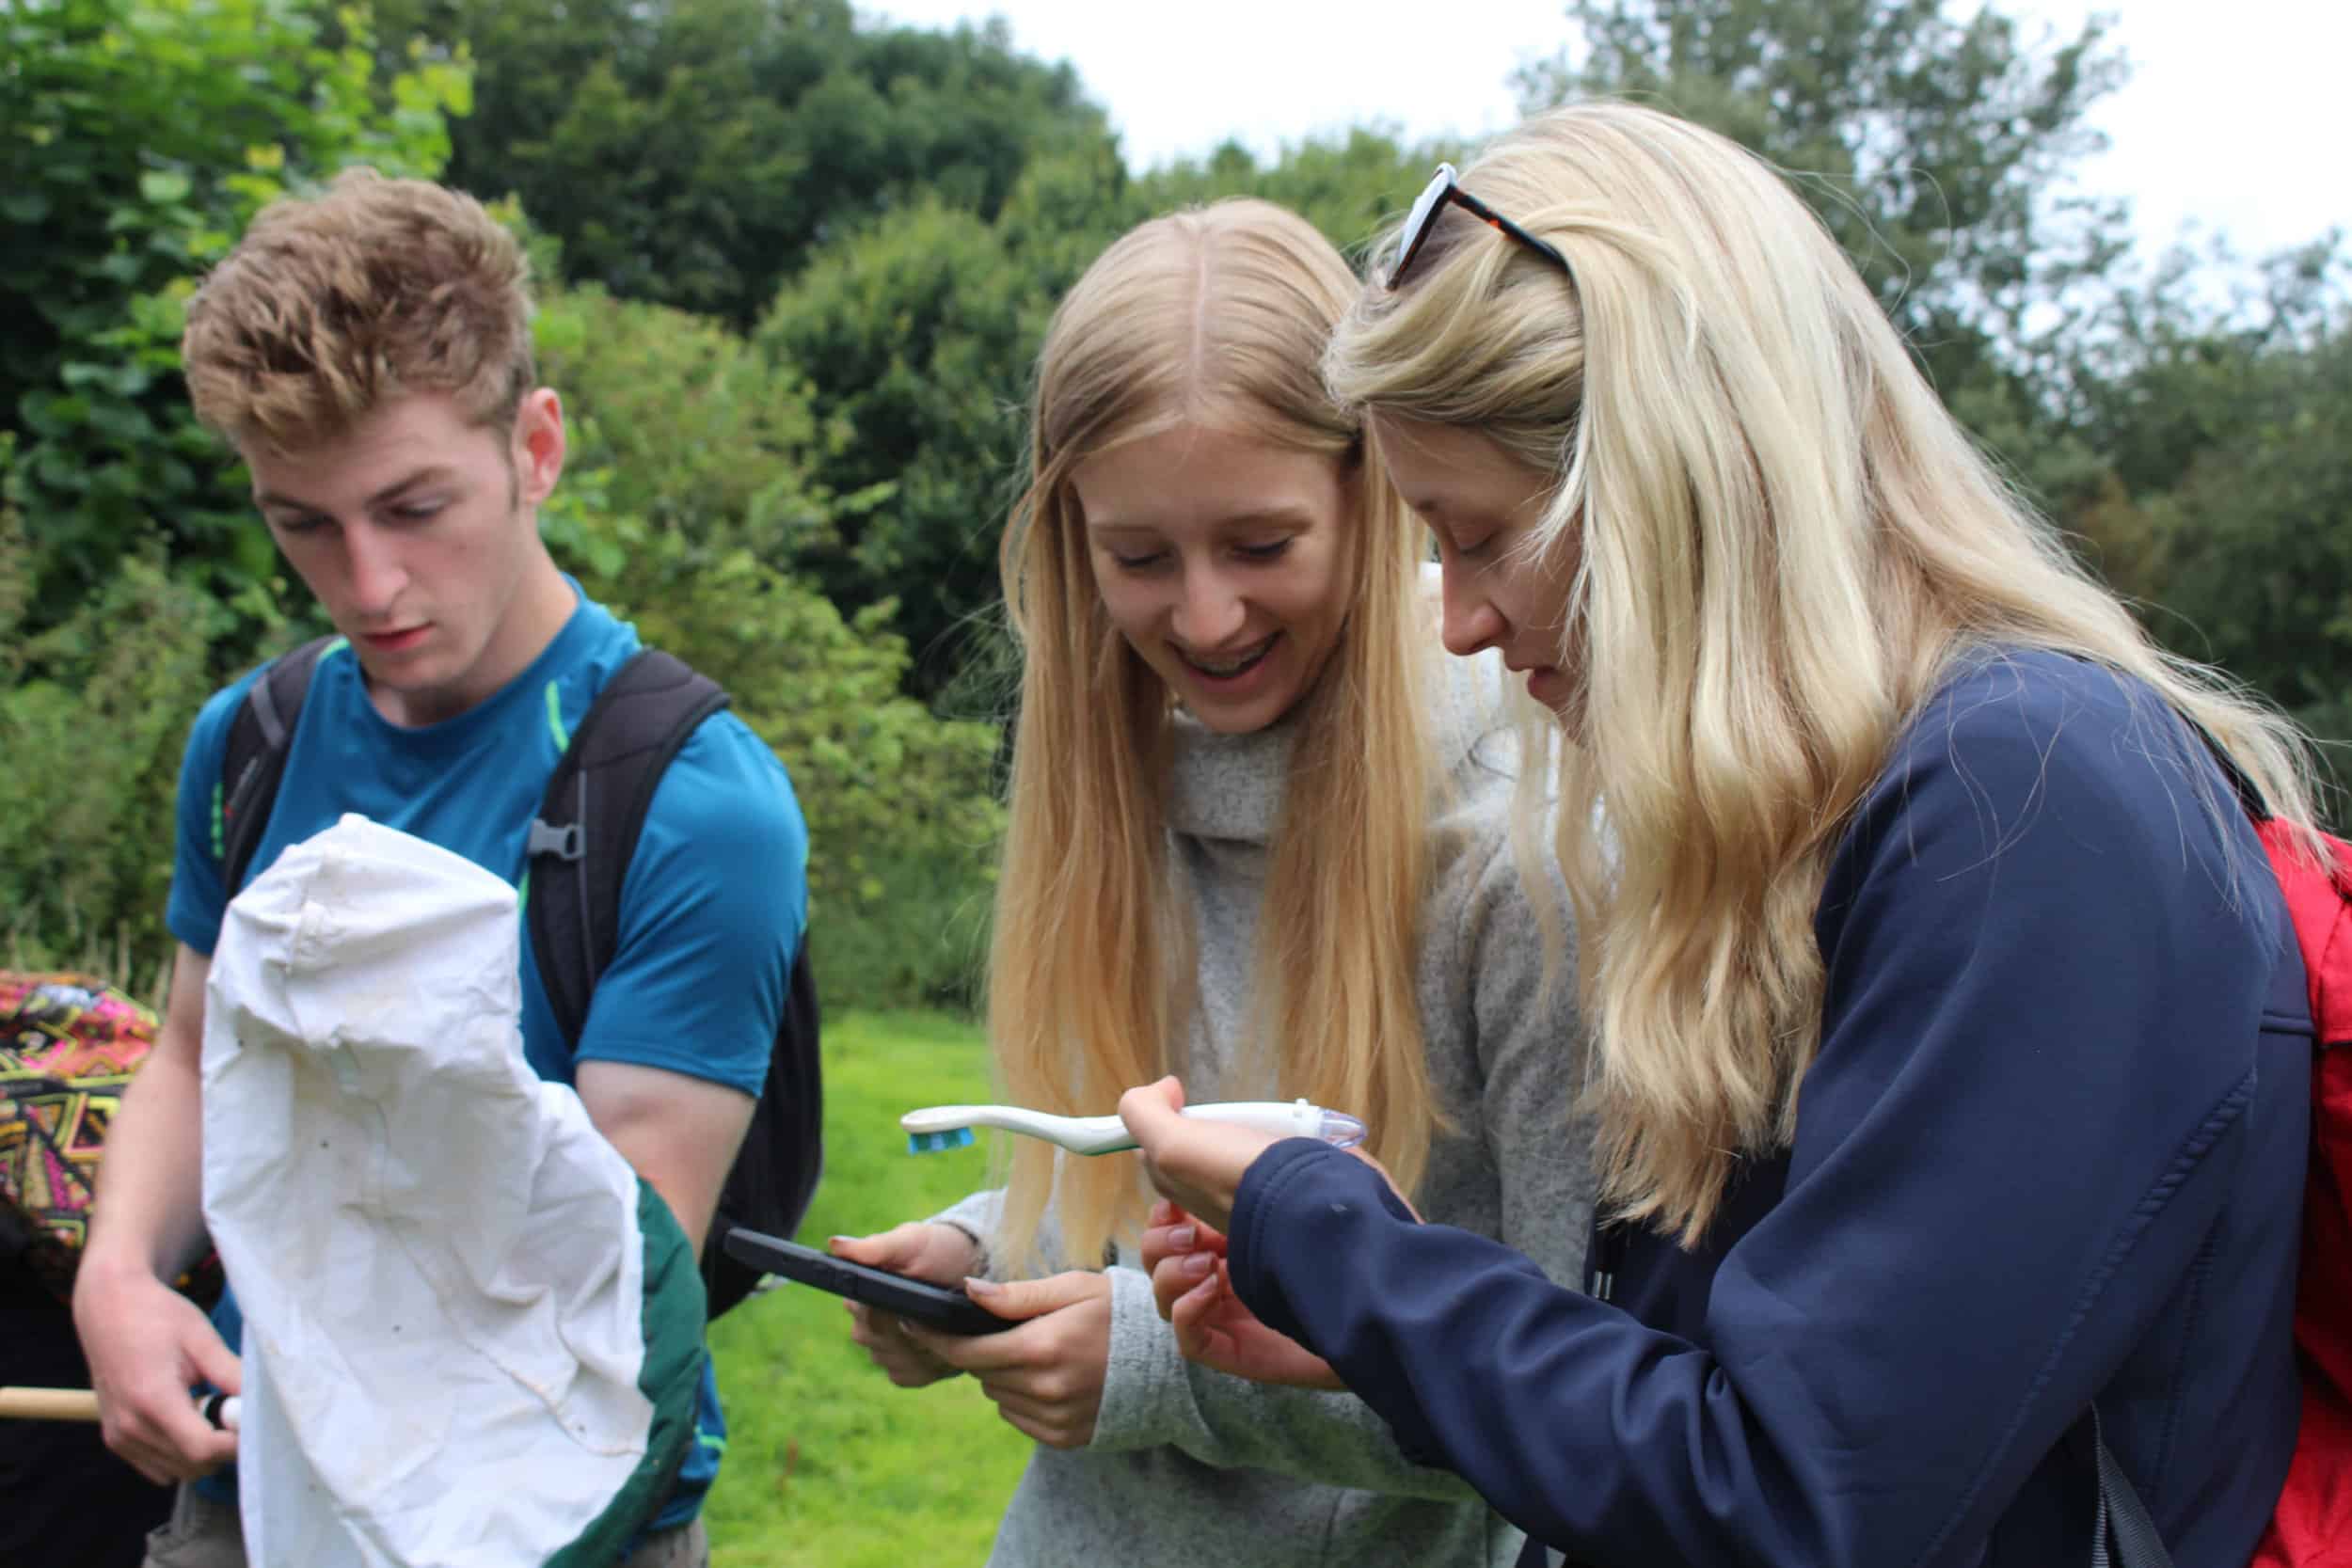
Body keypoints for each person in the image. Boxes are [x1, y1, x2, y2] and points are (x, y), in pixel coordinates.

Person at [1120, 103, 2317, 1568]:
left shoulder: (2028, 809)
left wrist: (1337, 1245)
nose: (1461, 623)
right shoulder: (1848, 810)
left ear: (1668, 486)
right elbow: (1734, 1400)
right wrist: (1391, 1325)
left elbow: (1792, 1506)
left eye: (1481, 536)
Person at [829, 198, 1592, 1567]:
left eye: (1259, 544)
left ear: (1376, 493)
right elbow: (1137, 1208)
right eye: (1138, 558)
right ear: (1071, 547)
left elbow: (1580, 1397)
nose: (1204, 618)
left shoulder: (1528, 859)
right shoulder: (1106, 792)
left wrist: (1161, 1375)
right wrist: (984, 1256)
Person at [69, 168, 809, 1568]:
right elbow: (185, 1052)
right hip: (248, 1485)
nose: (367, 586)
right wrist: (118, 1279)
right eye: (302, 522)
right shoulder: (252, 743)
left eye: (413, 508)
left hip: (546, 1505)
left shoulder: (693, 800)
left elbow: (606, 1273)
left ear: (536, 447)